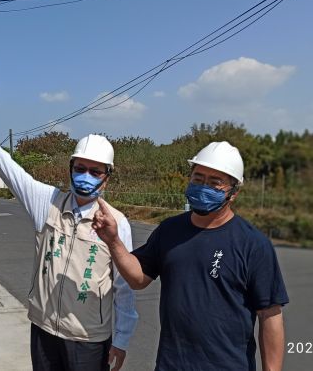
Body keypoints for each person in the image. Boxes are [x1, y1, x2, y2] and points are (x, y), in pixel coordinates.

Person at [0, 98, 138, 371]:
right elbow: (12, 173)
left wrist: (121, 340)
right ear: (70, 168)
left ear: (106, 177)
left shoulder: (117, 223)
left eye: (95, 171)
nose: (85, 176)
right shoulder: (48, 202)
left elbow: (124, 289)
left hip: (87, 338)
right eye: (80, 169)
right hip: (43, 329)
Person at [92, 141, 289, 371]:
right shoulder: (170, 230)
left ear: (234, 193)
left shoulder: (253, 244)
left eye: (215, 183)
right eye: (198, 178)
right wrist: (113, 241)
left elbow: (270, 315)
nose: (203, 186)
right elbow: (138, 279)